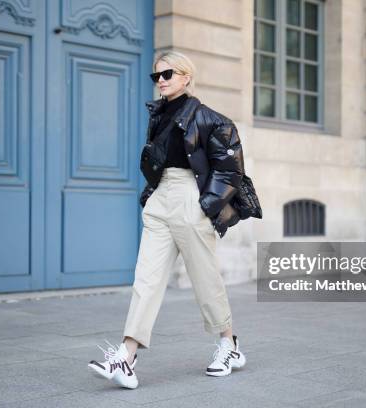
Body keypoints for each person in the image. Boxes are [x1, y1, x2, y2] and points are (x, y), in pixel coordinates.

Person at [88, 51, 247, 389]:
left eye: (168, 74)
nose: (161, 80)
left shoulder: (210, 119)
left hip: (192, 197)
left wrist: (205, 205)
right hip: (161, 199)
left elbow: (230, 170)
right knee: (146, 280)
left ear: (187, 76)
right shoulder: (158, 114)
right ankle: (126, 356)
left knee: (205, 280)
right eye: (156, 76)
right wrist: (151, 194)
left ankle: (228, 344)